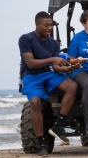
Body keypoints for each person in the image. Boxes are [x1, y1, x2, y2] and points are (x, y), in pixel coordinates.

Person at [19, 11, 79, 157]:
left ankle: (58, 126)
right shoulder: (26, 39)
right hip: (31, 75)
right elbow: (30, 63)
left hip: (47, 73)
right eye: (46, 25)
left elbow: (56, 67)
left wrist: (67, 68)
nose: (49, 28)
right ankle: (41, 144)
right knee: (34, 102)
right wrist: (52, 59)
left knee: (72, 86)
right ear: (37, 24)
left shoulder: (53, 43)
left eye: (51, 25)